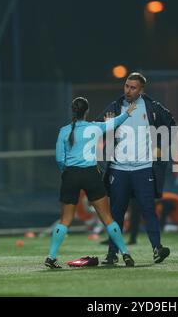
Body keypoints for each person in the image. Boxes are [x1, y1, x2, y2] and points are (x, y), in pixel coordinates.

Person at [44, 97, 137, 269]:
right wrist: (128, 112)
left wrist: (67, 170)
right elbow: (114, 123)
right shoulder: (94, 127)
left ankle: (51, 256)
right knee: (107, 218)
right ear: (86, 111)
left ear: (73, 111)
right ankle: (125, 254)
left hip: (70, 174)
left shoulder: (64, 130)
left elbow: (59, 158)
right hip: (90, 175)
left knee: (65, 220)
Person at [97, 72, 176, 265]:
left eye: (133, 87)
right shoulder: (115, 107)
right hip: (118, 169)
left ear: (141, 90)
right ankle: (111, 254)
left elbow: (171, 125)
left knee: (148, 210)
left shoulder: (152, 107)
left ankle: (157, 249)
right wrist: (106, 127)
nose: (128, 90)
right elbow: (96, 129)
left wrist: (161, 148)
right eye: (126, 86)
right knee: (116, 213)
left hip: (144, 168)